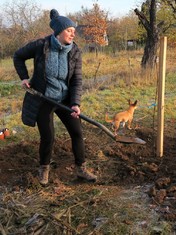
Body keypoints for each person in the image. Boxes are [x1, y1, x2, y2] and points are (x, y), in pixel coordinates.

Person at [13, 9, 97, 185]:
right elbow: (18, 56)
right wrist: (24, 77)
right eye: (69, 30)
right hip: (44, 98)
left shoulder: (75, 51)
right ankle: (44, 169)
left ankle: (81, 169)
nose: (73, 34)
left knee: (77, 133)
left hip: (65, 99)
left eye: (74, 31)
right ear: (59, 31)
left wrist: (75, 103)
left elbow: (76, 80)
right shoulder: (41, 45)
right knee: (48, 136)